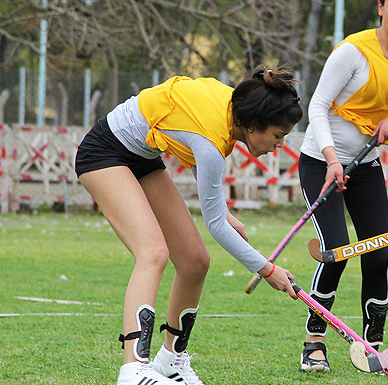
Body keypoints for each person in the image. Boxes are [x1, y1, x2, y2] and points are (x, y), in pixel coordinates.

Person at [75, 67, 301, 385]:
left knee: (195, 261)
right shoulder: (211, 143)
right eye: (278, 136)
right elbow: (216, 225)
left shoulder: (233, 109)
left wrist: (223, 212)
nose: (278, 145)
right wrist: (267, 269)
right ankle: (134, 370)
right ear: (253, 125)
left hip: (143, 157)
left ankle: (170, 361)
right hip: (104, 153)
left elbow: (195, 149)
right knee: (152, 253)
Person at [298, 0, 388, 373]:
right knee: (337, 251)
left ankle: (374, 347)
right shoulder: (353, 52)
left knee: (378, 255)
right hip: (321, 164)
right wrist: (332, 159)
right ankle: (314, 341)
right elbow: (318, 106)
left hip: (367, 168)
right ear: (380, 8)